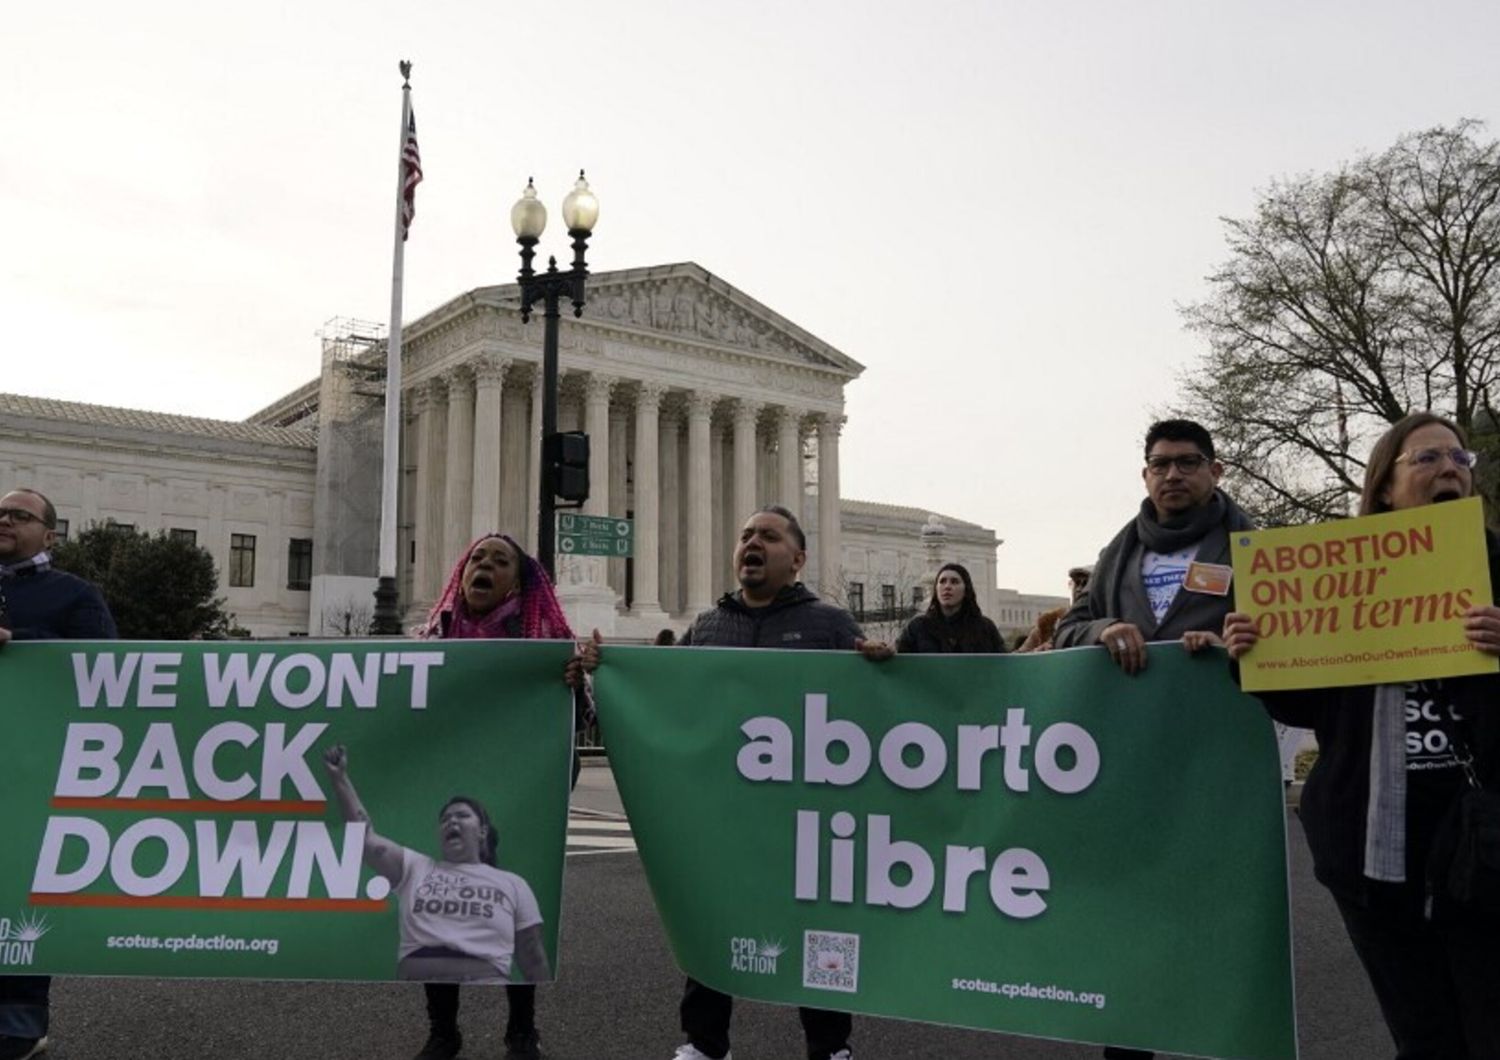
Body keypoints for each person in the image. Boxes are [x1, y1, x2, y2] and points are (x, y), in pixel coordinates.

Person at [1224, 412, 1500, 1058]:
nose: (1450, 469)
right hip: (1371, 848)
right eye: (1428, 459)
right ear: (1383, 487)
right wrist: (1253, 655)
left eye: (1461, 459)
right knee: (1424, 1034)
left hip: (1479, 844)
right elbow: (1304, 704)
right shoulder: (1335, 577)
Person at [1051, 422, 1252, 1060]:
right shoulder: (1119, 553)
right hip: (1127, 771)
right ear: (1144, 476)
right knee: (1129, 927)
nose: (1172, 474)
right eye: (1159, 464)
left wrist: (1233, 645)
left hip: (1215, 773)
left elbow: (1293, 635)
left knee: (1208, 930)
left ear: (1215, 472)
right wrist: (1105, 626)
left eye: (1188, 462)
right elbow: (1069, 629)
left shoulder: (1255, 548)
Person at [664, 505, 886, 1060]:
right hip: (727, 814)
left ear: (798, 559)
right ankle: (705, 1042)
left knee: (819, 931)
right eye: (745, 535)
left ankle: (830, 1045)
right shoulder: (710, 625)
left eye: (768, 535)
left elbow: (874, 707)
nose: (751, 543)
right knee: (713, 921)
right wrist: (603, 671)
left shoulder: (830, 625)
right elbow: (671, 700)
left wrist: (885, 667)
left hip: (806, 815)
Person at [405, 532, 582, 1060]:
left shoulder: (542, 645)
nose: (484, 566)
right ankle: (443, 1030)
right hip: (446, 802)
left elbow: (574, 735)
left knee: (518, 913)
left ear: (519, 581)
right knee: (437, 915)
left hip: (516, 804)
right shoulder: (430, 638)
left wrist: (575, 689)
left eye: (499, 561)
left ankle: (521, 1029)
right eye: (477, 558)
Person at [0, 488, 116, 1060]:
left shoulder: (74, 594)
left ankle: (19, 1027)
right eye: (0, 512)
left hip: (31, 772)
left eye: (19, 515)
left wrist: (18, 645)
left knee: (21, 897)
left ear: (50, 535)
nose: (4, 519)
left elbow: (104, 661)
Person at [322, 747, 550, 981]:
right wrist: (339, 779)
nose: (451, 821)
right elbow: (364, 836)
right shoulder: (414, 868)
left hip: (486, 989)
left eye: (462, 816)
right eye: (445, 819)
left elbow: (532, 955)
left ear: (482, 831)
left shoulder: (513, 884)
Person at [895, 562, 1005, 653]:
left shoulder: (985, 628)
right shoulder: (918, 627)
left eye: (954, 582)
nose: (947, 586)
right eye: (942, 582)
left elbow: (1003, 664)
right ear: (936, 589)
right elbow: (898, 658)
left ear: (966, 590)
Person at [1018, 564, 1092, 652]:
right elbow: (1016, 659)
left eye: (1085, 584)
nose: (1078, 589)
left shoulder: (1107, 623)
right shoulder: (1048, 622)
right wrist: (1036, 654)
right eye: (1076, 583)